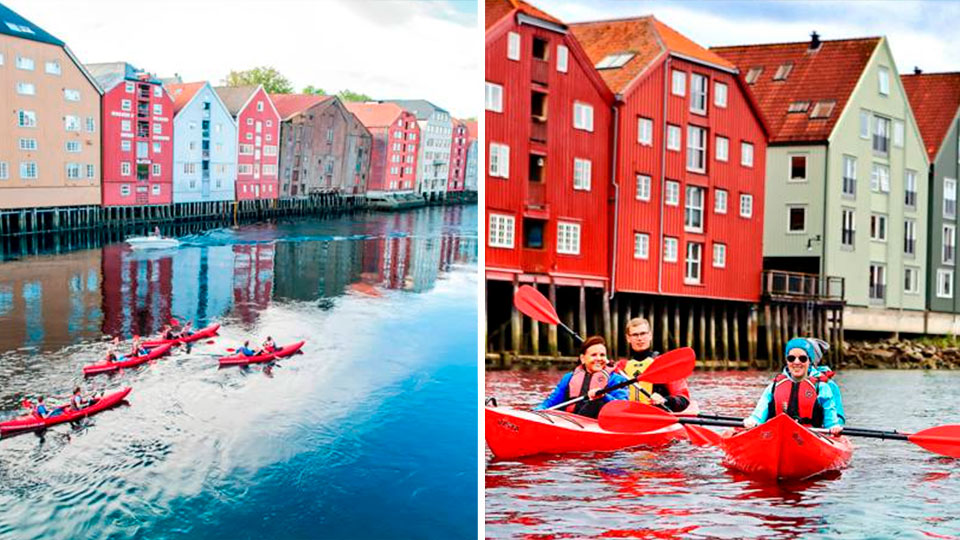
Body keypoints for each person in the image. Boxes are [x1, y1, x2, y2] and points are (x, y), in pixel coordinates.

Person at [744, 337, 843, 435]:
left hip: (811, 435)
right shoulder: (773, 387)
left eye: (802, 358)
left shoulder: (822, 387)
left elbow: (831, 421)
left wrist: (833, 427)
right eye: (791, 358)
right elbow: (759, 414)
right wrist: (753, 421)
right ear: (787, 361)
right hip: (778, 434)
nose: (796, 362)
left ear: (809, 361)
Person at [535, 336, 629, 419]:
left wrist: (604, 396)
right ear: (583, 358)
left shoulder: (617, 379)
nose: (599, 358)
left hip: (600, 424)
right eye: (593, 355)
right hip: (570, 422)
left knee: (597, 402)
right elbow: (550, 402)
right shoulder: (569, 378)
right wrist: (536, 412)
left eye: (602, 355)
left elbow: (622, 408)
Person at [612, 317, 691, 413]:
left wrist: (665, 400)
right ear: (628, 338)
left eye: (643, 334)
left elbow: (684, 399)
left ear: (650, 335)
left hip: (657, 414)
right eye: (635, 335)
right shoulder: (621, 367)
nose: (639, 338)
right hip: (629, 414)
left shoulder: (665, 365)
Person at [807, 337, 846, 425]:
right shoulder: (784, 382)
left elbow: (839, 416)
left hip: (820, 429)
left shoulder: (829, 385)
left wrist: (834, 427)